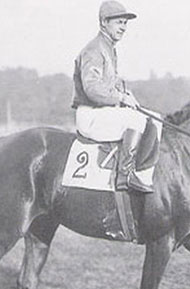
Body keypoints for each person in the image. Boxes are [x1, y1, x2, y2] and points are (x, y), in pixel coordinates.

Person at [72, 1, 154, 193]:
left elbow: (110, 83)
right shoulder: (94, 49)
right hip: (90, 115)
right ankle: (125, 177)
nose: (123, 28)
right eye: (119, 22)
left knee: (151, 118)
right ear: (104, 22)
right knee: (137, 120)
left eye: (125, 23)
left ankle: (141, 172)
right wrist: (121, 99)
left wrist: (125, 94)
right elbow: (92, 89)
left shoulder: (108, 48)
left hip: (103, 112)